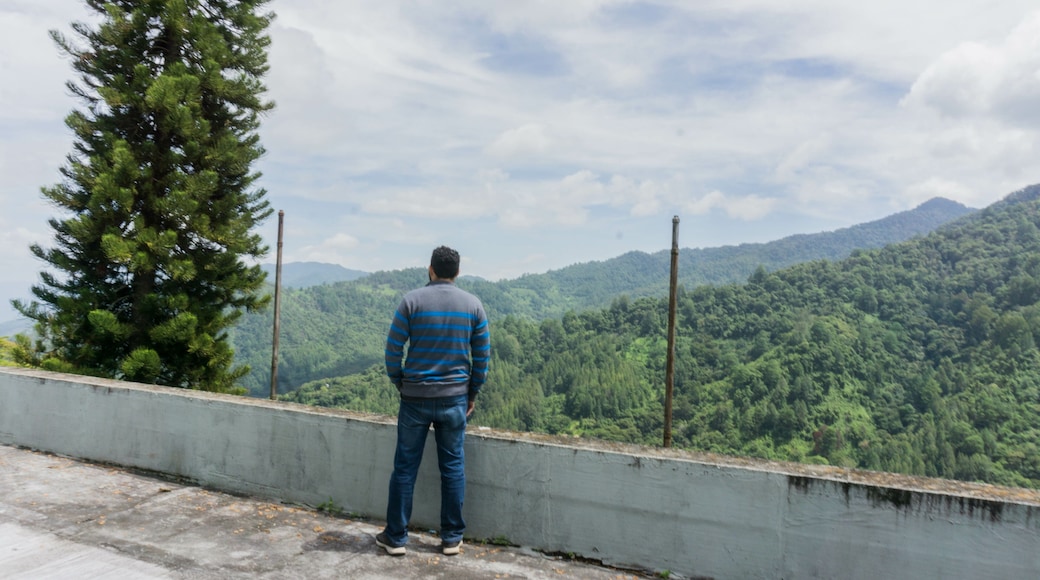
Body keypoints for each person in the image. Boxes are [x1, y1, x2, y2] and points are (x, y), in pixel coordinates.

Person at [376, 246, 490, 557]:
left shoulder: (411, 301)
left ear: (430, 269)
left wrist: (400, 381)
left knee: (404, 468)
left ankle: (396, 537)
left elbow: (392, 349)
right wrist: (472, 393)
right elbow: (482, 358)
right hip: (454, 400)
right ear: (457, 273)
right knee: (452, 468)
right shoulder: (473, 306)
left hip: (414, 398)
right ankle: (452, 538)